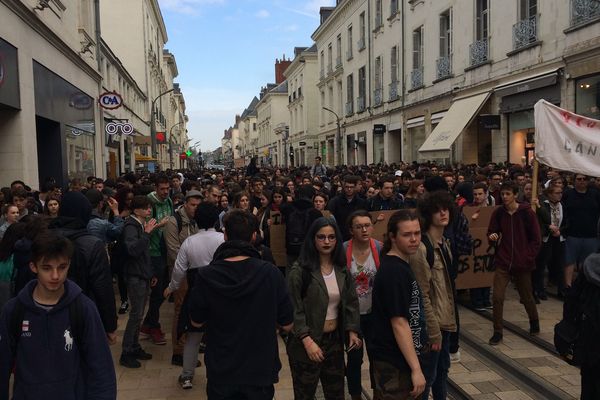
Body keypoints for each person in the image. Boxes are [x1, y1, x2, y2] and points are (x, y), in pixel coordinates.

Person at [188, 210, 293, 399]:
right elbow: (287, 323)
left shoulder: (206, 275)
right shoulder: (270, 273)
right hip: (259, 367)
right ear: (254, 236)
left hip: (222, 367)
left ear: (225, 235)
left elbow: (196, 321)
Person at [0, 232, 116, 399]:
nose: (55, 276)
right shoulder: (14, 311)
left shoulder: (83, 308)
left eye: (62, 267)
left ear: (69, 265)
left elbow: (101, 368)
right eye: (47, 268)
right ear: (33, 267)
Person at [286, 217, 361, 400]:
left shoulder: (341, 269)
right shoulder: (300, 271)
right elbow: (294, 309)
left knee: (336, 392)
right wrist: (306, 340)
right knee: (305, 393)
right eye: (321, 237)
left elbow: (351, 301)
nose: (326, 242)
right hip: (306, 342)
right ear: (313, 239)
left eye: (331, 237)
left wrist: (352, 331)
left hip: (333, 341)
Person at [164, 202, 224, 389]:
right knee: (220, 335)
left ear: (196, 219)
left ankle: (187, 376)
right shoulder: (223, 239)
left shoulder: (189, 242)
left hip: (197, 292)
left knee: (193, 337)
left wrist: (171, 287)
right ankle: (219, 373)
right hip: (221, 292)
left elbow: (179, 270)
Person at [369, 210, 427, 400]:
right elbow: (399, 323)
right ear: (393, 237)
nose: (414, 239)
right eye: (407, 234)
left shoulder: (400, 265)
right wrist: (416, 369)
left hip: (401, 359)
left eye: (417, 233)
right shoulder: (394, 272)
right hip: (395, 362)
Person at [410, 192, 456, 399]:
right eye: (437, 209)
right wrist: (432, 330)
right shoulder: (422, 248)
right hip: (433, 324)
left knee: (442, 371)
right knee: (428, 375)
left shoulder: (444, 243)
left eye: (446, 208)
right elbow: (422, 294)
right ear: (429, 215)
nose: (443, 212)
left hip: (445, 320)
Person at [487, 181, 541, 345]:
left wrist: (527, 256)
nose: (504, 197)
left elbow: (536, 239)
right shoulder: (499, 213)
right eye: (502, 194)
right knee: (497, 296)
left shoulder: (527, 213)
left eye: (508, 194)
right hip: (503, 260)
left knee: (526, 296)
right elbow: (491, 232)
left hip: (522, 262)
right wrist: (492, 237)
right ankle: (497, 331)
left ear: (515, 195)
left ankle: (534, 321)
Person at [344, 210, 382, 400]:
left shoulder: (380, 248)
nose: (364, 230)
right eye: (359, 226)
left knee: (377, 357)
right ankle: (355, 395)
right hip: (352, 315)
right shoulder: (343, 250)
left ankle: (378, 393)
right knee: (354, 359)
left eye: (367, 225)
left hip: (375, 314)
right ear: (351, 230)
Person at [119, 195, 160, 368]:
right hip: (134, 276)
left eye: (149, 207)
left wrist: (150, 273)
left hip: (141, 274)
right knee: (136, 315)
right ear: (137, 210)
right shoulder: (131, 226)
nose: (149, 210)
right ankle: (127, 351)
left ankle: (134, 346)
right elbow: (133, 250)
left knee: (139, 313)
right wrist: (146, 234)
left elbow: (144, 254)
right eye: (146, 208)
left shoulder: (139, 225)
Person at [164, 189, 203, 366]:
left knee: (193, 311)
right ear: (185, 204)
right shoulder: (174, 222)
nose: (196, 208)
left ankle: (190, 346)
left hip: (194, 273)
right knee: (180, 311)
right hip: (181, 273)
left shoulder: (195, 221)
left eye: (198, 205)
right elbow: (173, 251)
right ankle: (178, 352)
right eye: (193, 205)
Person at [140, 175, 173, 346]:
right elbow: (145, 230)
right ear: (156, 188)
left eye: (167, 188)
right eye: (162, 189)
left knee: (165, 289)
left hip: (166, 248)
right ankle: (153, 326)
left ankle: (147, 325)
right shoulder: (150, 203)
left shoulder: (168, 202)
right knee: (158, 291)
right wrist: (160, 225)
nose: (166, 192)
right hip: (153, 252)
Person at [562, 174, 600, 290]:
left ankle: (583, 286)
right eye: (579, 179)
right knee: (569, 261)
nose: (582, 181)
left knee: (586, 263)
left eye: (585, 179)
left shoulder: (595, 194)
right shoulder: (568, 194)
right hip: (572, 234)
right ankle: (568, 286)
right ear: (574, 181)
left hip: (591, 235)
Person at [327, 175, 368, 242]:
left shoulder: (362, 203)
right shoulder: (335, 202)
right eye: (347, 187)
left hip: (356, 236)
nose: (349, 189)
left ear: (355, 187)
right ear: (343, 187)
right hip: (339, 236)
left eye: (351, 187)